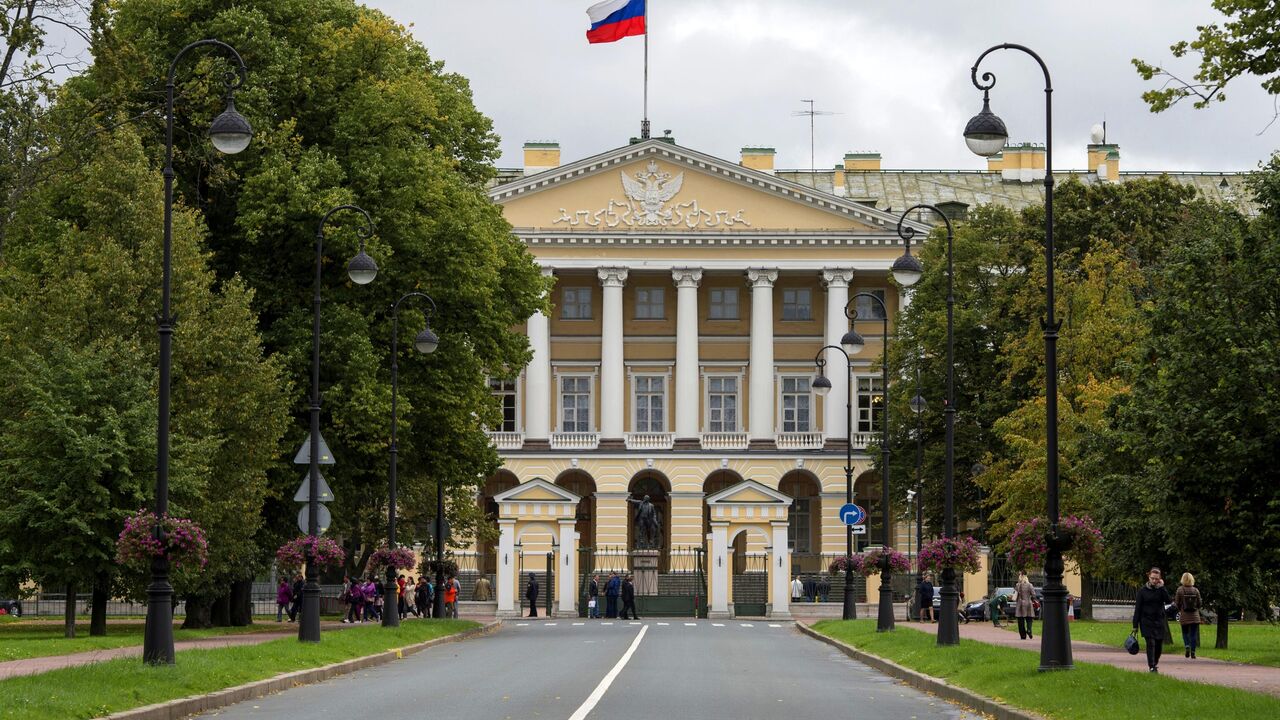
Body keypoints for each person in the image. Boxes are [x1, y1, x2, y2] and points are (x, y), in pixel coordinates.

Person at [1133, 566, 1172, 672]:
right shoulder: (1142, 591)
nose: (1154, 581)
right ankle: (1151, 666)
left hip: (1159, 621)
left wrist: (1162, 587)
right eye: (1152, 578)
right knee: (1151, 643)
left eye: (1156, 579)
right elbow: (1138, 609)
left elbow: (1168, 601)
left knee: (1158, 645)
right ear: (1149, 577)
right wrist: (1135, 625)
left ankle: (1155, 662)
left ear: (1160, 579)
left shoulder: (1161, 590)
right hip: (1146, 621)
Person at [1174, 572, 1203, 659]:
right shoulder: (1196, 590)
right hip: (1195, 616)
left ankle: (1187, 646)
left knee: (1185, 632)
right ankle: (1193, 652)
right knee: (1193, 635)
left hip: (1184, 615)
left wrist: (1180, 609)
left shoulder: (1180, 590)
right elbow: (1199, 603)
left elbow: (1177, 603)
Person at [1014, 573, 1036, 640]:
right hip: (1028, 603)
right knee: (1029, 618)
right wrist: (1031, 597)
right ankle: (1029, 629)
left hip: (1020, 604)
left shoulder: (1017, 585)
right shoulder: (1030, 585)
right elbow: (1034, 595)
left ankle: (1023, 635)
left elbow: (1015, 595)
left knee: (1020, 620)